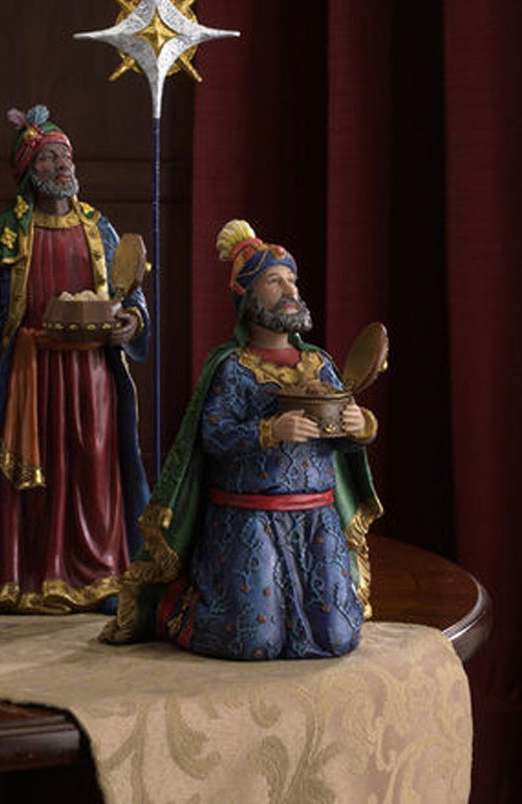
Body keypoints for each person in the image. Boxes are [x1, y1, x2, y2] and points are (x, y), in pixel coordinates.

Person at [101, 218, 383, 659]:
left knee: (339, 636)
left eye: (291, 280)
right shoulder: (233, 367)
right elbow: (213, 435)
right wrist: (270, 430)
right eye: (274, 281)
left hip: (316, 520)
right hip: (249, 519)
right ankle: (173, 610)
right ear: (248, 297)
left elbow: (339, 434)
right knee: (254, 641)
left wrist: (359, 426)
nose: (289, 290)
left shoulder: (319, 364)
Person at [0, 105, 150, 614]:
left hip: (92, 373)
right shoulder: (6, 235)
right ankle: (25, 576)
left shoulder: (99, 229)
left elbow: (130, 294)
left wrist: (132, 321)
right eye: (48, 157)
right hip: (30, 375)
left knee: (95, 471)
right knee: (32, 485)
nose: (61, 166)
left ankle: (101, 573)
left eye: (65, 156)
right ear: (27, 171)